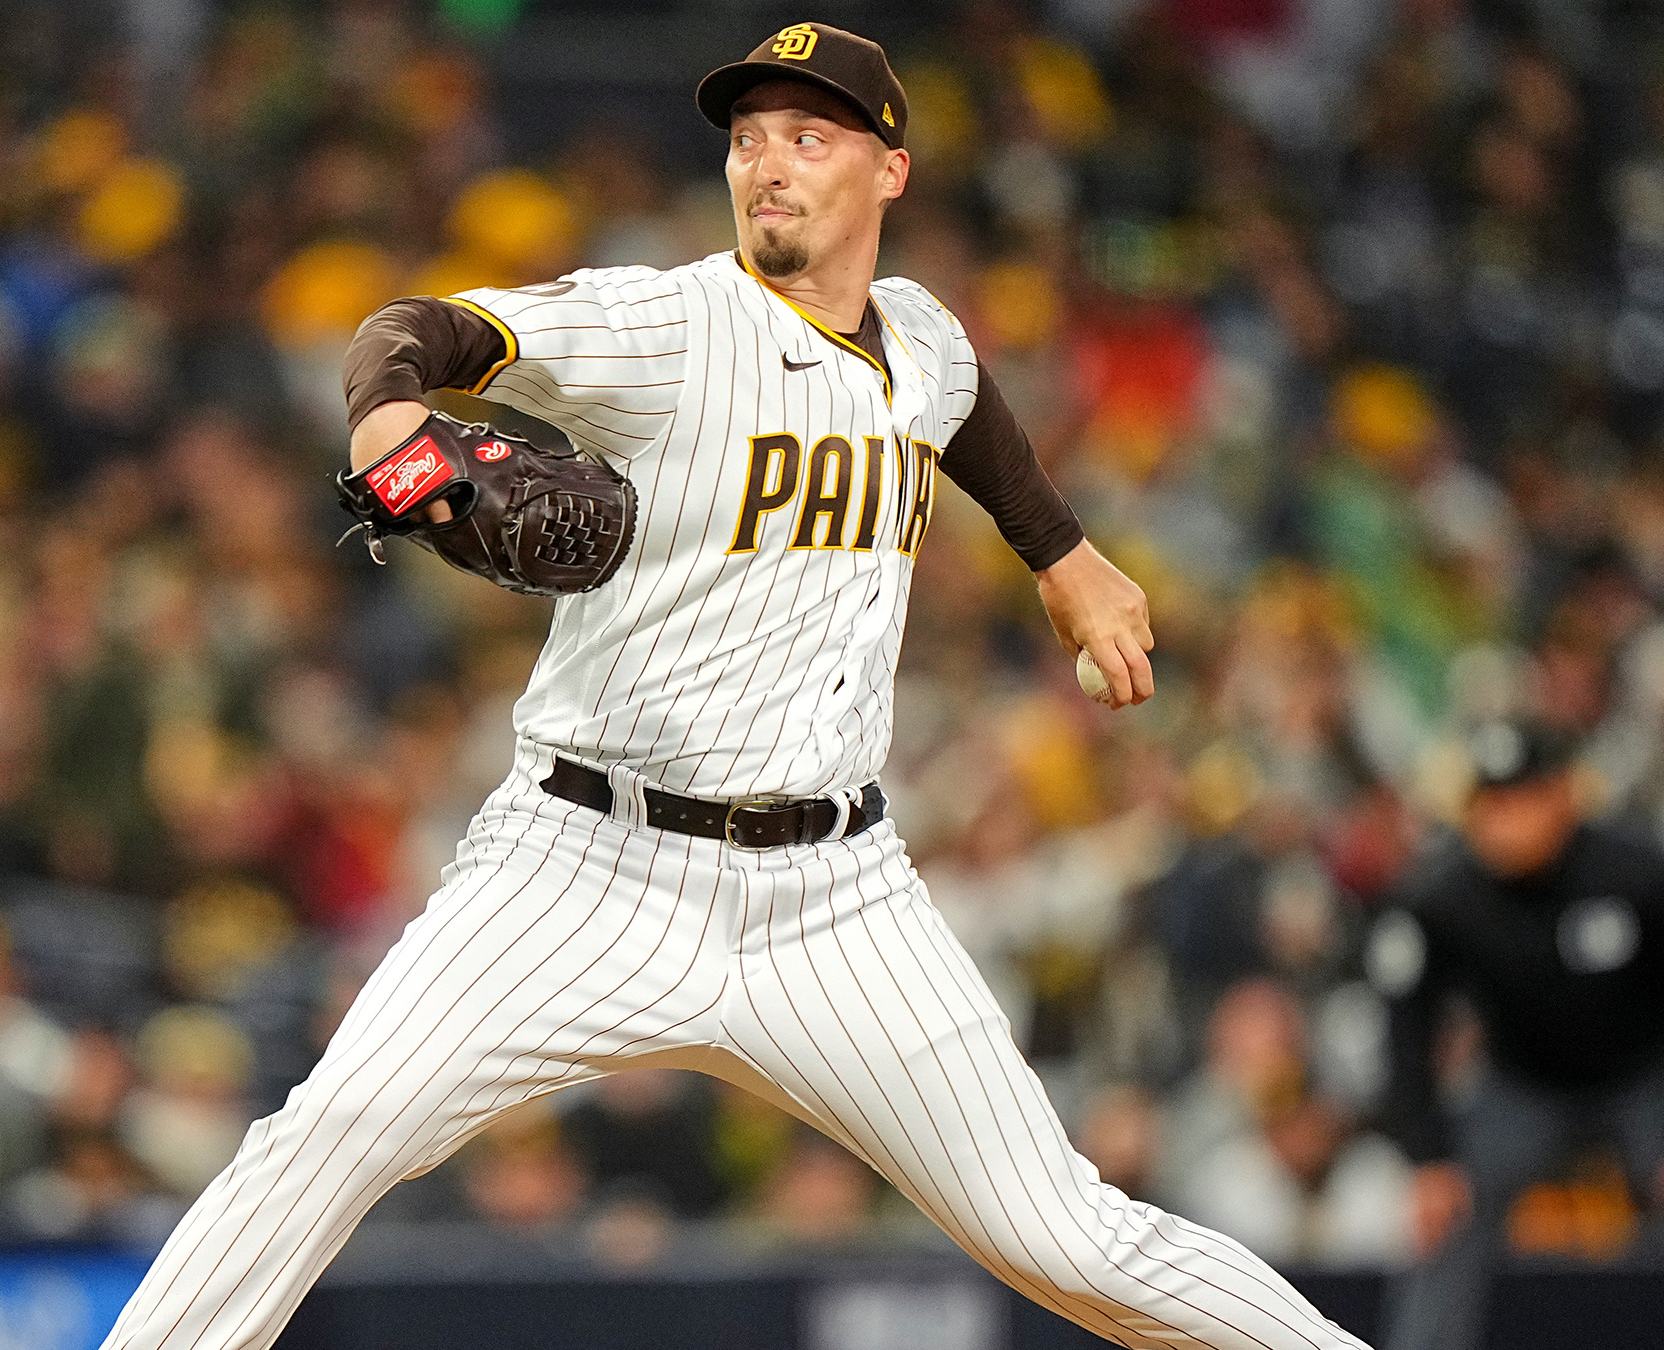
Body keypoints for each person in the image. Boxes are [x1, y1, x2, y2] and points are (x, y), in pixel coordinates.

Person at [104, 23, 1367, 1350]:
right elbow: (415, 329)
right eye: (747, 137)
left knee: (1072, 1241)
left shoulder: (923, 336)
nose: (766, 161)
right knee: (330, 1134)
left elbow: (964, 407)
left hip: (835, 898)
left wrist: (1063, 551)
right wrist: (387, 424)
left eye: (808, 137)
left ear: (890, 171)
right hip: (584, 865)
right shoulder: (669, 324)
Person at [1376, 718, 1664, 1350]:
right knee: (1446, 1212)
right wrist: (1428, 1155)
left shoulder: (1634, 870)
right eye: (1490, 803)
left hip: (1645, 1075)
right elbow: (1406, 1022)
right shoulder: (1447, 896)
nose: (1505, 820)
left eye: (1523, 798)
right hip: (1524, 1083)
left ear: (1563, 797)